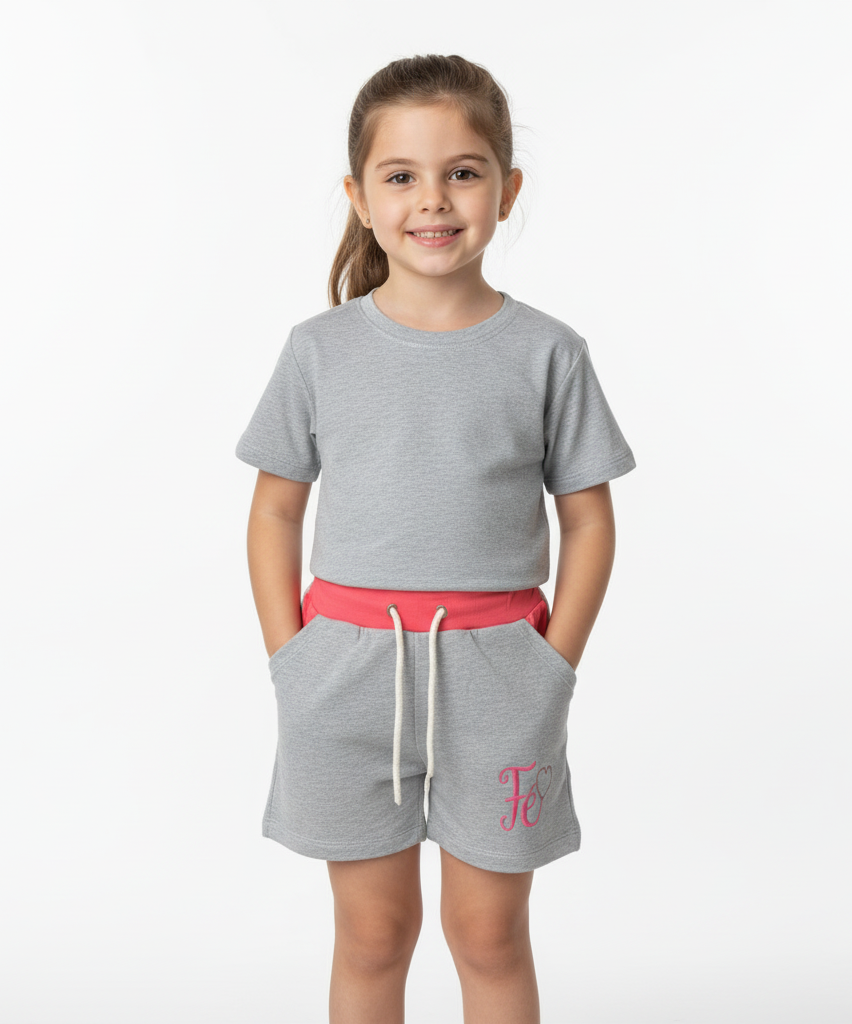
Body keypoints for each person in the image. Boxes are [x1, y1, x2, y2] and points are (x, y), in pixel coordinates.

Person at [235, 53, 636, 1024]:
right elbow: (276, 508)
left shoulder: (548, 352)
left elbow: (587, 518)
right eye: (401, 175)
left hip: (501, 679)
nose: (433, 200)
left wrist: (553, 664)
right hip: (343, 675)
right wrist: (291, 658)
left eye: (462, 171)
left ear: (507, 190)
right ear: (359, 197)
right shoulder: (319, 350)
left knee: (488, 936)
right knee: (373, 936)